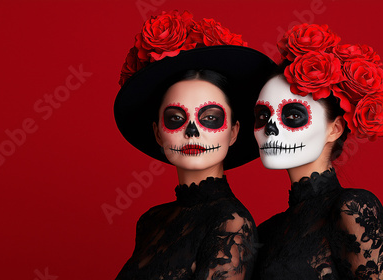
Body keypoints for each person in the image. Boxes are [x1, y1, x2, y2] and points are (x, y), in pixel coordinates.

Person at [113, 11, 275, 279]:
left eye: (210, 118)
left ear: (234, 132)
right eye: (176, 118)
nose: (191, 131)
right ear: (157, 133)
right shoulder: (151, 221)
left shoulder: (231, 223)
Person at [252, 23, 383, 279]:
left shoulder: (352, 208)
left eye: (293, 115)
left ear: (335, 128)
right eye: (263, 115)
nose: (270, 129)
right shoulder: (265, 232)